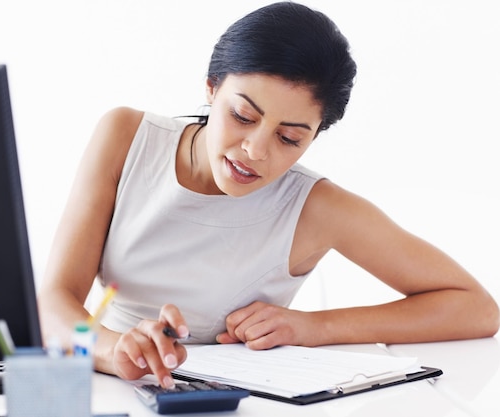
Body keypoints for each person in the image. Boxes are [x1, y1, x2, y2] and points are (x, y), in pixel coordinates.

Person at [37, 1, 499, 389]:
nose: (255, 151)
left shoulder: (316, 207)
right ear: (212, 88)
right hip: (101, 383)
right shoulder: (126, 136)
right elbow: (53, 302)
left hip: (234, 402)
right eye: (242, 115)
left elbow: (475, 308)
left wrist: (314, 327)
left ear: (316, 136)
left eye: (290, 138)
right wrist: (111, 349)